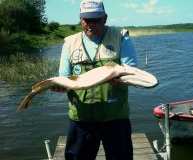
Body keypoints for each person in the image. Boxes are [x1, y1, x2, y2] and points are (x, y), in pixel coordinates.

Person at [54, 0, 137, 159]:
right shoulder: (70, 42)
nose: (90, 24)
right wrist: (61, 86)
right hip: (81, 118)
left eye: (96, 19)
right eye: (87, 20)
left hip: (115, 117)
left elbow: (132, 71)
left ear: (105, 18)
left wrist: (120, 78)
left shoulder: (120, 37)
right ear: (80, 19)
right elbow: (63, 77)